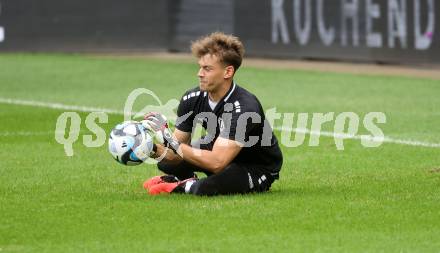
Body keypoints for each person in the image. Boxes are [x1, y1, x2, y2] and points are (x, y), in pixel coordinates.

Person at [142, 32, 283, 196]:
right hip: (221, 150)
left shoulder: (245, 107)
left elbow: (217, 162)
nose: (199, 73)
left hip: (255, 166)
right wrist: (147, 147)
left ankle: (183, 186)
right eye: (200, 67)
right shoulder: (192, 98)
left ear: (228, 72)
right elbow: (174, 154)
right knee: (168, 164)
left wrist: (170, 141)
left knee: (205, 188)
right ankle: (182, 179)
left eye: (207, 69)